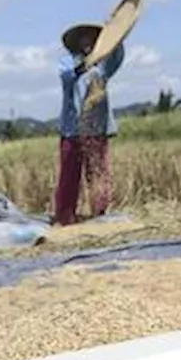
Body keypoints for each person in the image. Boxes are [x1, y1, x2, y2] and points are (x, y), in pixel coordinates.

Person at [53, 23, 125, 226]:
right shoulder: (68, 63)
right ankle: (65, 218)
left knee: (98, 173)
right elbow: (67, 76)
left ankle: (99, 214)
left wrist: (116, 39)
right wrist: (86, 64)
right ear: (77, 43)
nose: (87, 43)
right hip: (72, 130)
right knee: (69, 176)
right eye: (83, 39)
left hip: (97, 128)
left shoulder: (102, 67)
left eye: (92, 39)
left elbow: (116, 59)